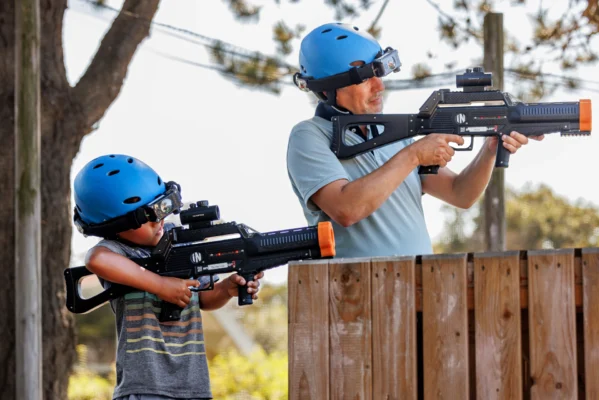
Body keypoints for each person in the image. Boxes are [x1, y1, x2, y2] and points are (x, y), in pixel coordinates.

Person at [287, 22, 543, 258]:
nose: (379, 87)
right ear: (327, 89)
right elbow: (346, 209)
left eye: (379, 74)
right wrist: (414, 155)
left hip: (416, 289)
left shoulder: (392, 137)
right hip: (355, 296)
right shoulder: (309, 137)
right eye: (365, 78)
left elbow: (460, 194)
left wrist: (490, 148)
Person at [73, 154, 264, 400]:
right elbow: (96, 260)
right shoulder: (118, 252)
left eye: (163, 207)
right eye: (149, 216)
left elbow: (204, 299)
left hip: (194, 386)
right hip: (143, 388)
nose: (159, 220)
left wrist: (227, 288)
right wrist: (160, 285)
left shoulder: (177, 242)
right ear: (114, 225)